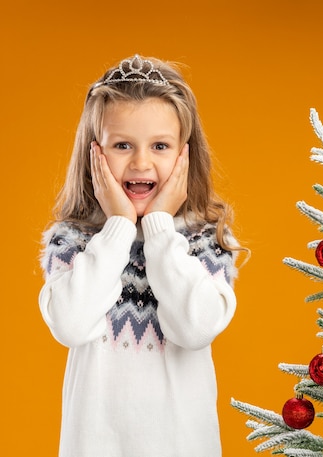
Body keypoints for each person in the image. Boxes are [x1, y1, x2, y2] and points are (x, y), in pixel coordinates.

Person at [39, 54, 241, 457]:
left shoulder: (203, 242)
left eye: (160, 146)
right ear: (95, 154)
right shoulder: (74, 240)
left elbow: (195, 328)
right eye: (122, 145)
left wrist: (160, 228)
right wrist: (117, 229)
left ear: (184, 156)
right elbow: (70, 325)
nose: (141, 162)